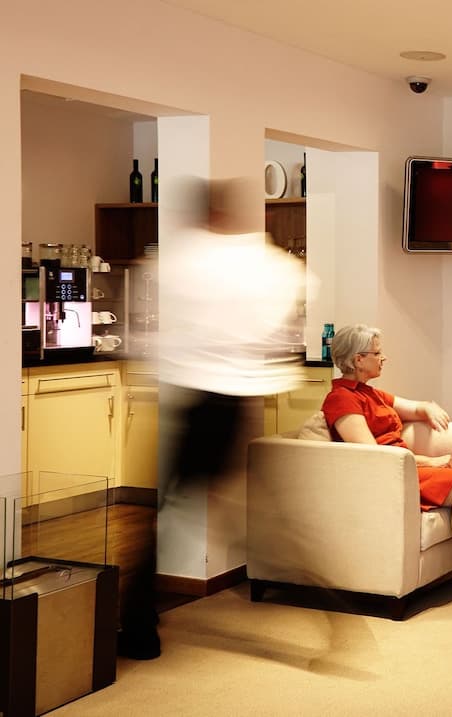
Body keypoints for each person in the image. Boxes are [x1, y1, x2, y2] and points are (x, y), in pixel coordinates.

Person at [118, 175, 312, 659]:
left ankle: (138, 622)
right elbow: (297, 285)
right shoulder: (253, 261)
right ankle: (139, 615)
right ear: (225, 213)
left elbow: (145, 322)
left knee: (174, 507)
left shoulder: (185, 260)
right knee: (201, 503)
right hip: (232, 401)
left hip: (198, 400)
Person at [322, 324, 452, 616]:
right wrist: (429, 462)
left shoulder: (372, 394)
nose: (384, 358)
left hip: (405, 466)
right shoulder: (341, 399)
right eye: (377, 353)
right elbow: (374, 456)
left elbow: (415, 408)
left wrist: (428, 408)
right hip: (391, 476)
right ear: (358, 360)